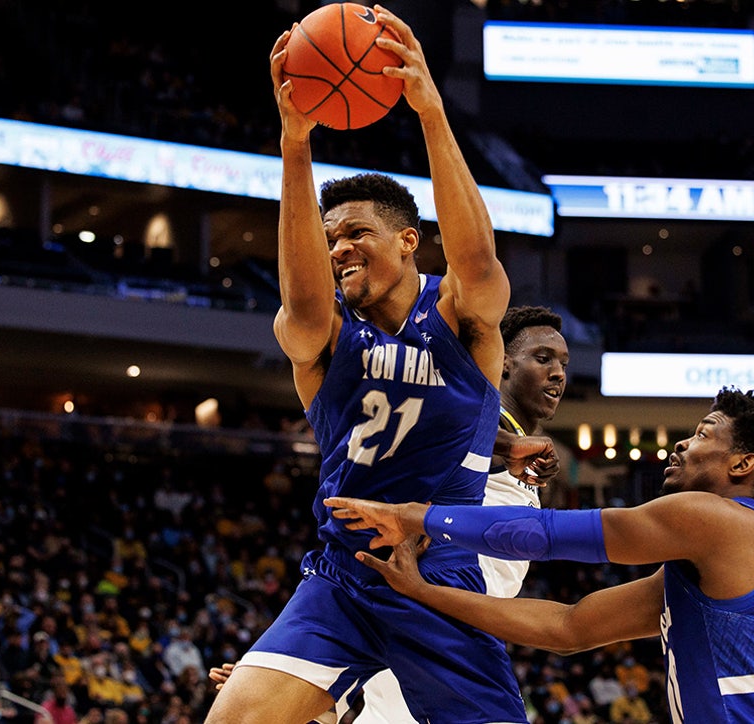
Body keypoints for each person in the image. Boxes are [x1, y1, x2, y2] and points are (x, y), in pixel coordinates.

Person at [206, 5, 522, 724]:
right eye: (330, 237)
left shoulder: (463, 318)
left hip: (439, 572)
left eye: (357, 233)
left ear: (410, 241)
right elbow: (302, 294)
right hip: (341, 578)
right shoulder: (326, 340)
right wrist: (295, 143)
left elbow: (476, 258)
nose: (340, 246)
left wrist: (431, 112)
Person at [326, 387, 754, 723]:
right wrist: (424, 592)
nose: (680, 443)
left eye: (702, 433)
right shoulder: (713, 561)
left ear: (742, 463)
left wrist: (414, 515)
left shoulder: (720, 519)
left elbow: (549, 533)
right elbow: (567, 628)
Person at [210, 306, 571, 722]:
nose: (558, 373)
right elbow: (441, 420)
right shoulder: (482, 424)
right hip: (428, 604)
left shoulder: (522, 445)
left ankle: (302, 693)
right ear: (504, 364)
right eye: (542, 358)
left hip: (455, 618)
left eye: (562, 363)